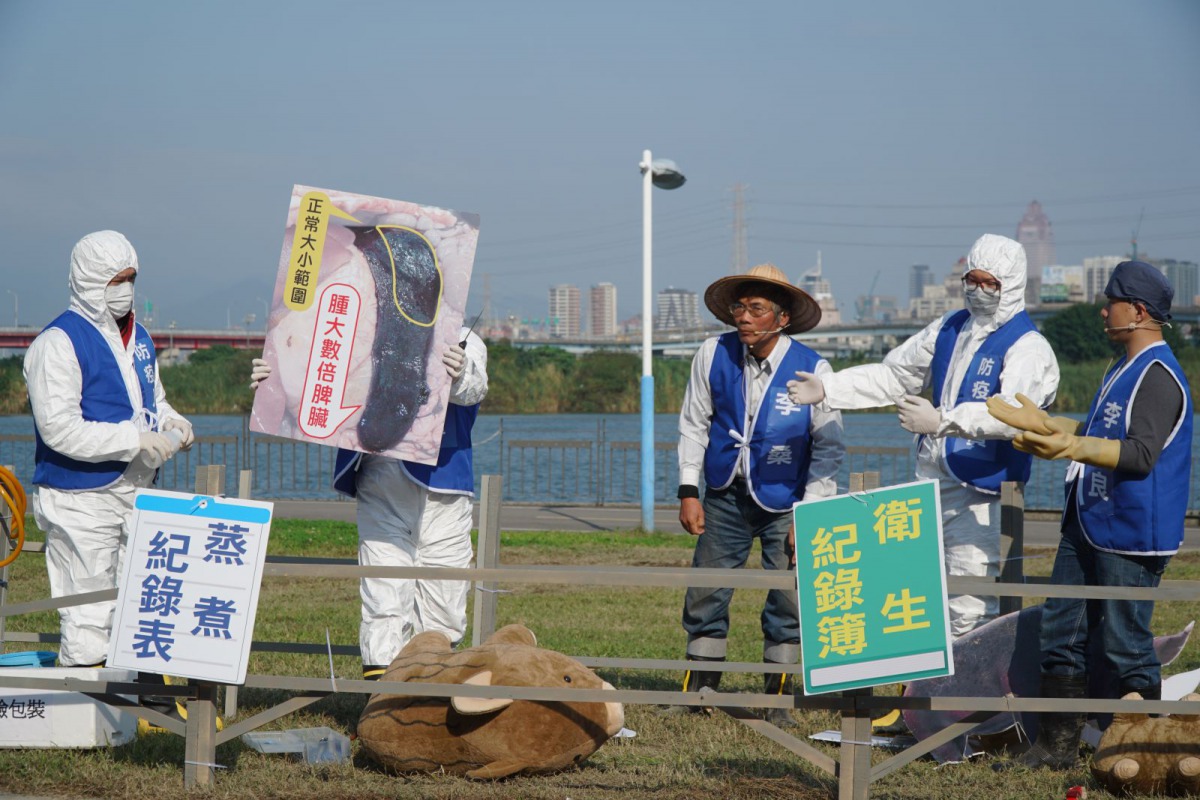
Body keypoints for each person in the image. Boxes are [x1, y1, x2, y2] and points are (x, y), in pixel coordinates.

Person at [787, 234, 1060, 637]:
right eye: (972, 280)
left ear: (1012, 285)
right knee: (916, 590)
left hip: (982, 493)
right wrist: (830, 389)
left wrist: (943, 421)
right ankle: (920, 692)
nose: (979, 291)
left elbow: (1017, 415)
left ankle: (964, 696)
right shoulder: (950, 327)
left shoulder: (1028, 347)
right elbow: (895, 375)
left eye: (991, 284)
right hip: (931, 480)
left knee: (969, 601)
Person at [988, 260, 1192, 770]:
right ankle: (1056, 746)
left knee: (1127, 642)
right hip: (1088, 521)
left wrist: (1072, 445)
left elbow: (1140, 453)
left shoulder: (1159, 375)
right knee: (1062, 630)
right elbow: (1098, 429)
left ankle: (1144, 752)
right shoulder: (1120, 369)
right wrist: (1050, 424)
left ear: (1138, 311)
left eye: (1112, 301)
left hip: (1130, 533)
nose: (1104, 310)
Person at [251, 326, 487, 678]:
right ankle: (382, 703)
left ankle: (432, 701)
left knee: (445, 600)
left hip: (443, 485)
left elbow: (475, 388)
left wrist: (461, 372)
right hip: (380, 477)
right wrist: (276, 385)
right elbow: (321, 385)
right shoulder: (356, 328)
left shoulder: (464, 334)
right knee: (383, 593)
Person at [674, 264, 844, 727]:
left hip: (787, 500)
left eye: (756, 309)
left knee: (787, 598)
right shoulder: (712, 353)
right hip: (724, 493)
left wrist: (808, 513)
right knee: (707, 590)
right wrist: (689, 490)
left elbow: (828, 448)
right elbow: (693, 424)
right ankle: (701, 689)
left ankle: (780, 695)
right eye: (739, 307)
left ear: (782, 318)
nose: (744, 317)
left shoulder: (814, 368)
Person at [25, 230, 194, 668]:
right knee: (87, 607)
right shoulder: (57, 344)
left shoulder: (140, 339)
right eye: (115, 280)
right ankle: (86, 710)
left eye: (131, 278)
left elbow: (151, 399)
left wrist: (172, 420)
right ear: (88, 280)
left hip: (134, 489)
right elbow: (60, 429)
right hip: (81, 497)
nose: (126, 290)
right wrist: (132, 440)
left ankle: (129, 704)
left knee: (133, 597)